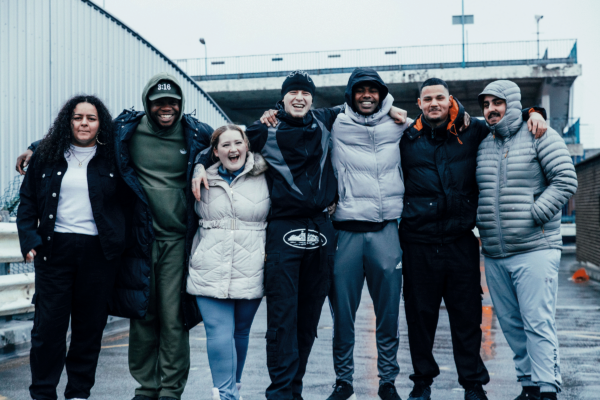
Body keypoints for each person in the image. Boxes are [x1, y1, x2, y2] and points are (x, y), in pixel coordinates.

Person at [17, 72, 213, 400]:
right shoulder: (125, 132)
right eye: (159, 102)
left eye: (172, 103)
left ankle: (159, 393)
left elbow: (231, 139)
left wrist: (203, 163)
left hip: (150, 246)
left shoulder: (193, 133)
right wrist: (34, 148)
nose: (166, 108)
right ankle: (138, 390)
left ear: (181, 105)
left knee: (159, 321)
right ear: (146, 103)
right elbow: (72, 144)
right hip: (117, 245)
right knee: (135, 317)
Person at [194, 70, 342, 400]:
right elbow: (224, 144)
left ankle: (295, 389)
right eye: (293, 93)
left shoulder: (326, 120)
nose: (299, 97)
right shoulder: (265, 128)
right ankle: (280, 393)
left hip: (321, 228)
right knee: (282, 317)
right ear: (284, 97)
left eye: (305, 93)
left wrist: (392, 107)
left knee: (307, 321)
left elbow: (366, 106)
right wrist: (199, 165)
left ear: (312, 98)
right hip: (282, 230)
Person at [399, 78, 548, 400]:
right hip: (417, 242)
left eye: (440, 97)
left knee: (467, 318)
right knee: (419, 319)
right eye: (428, 99)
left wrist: (535, 111)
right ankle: (421, 383)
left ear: (450, 100)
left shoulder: (475, 130)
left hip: (460, 241)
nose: (434, 103)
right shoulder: (406, 137)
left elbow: (505, 119)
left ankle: (473, 384)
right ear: (419, 104)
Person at [17, 95, 127, 400]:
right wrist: (29, 239)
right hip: (55, 251)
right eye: (78, 117)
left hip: (99, 253)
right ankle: (42, 393)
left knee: (88, 330)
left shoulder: (114, 158)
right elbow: (27, 202)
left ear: (100, 123)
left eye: (91, 118)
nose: (84, 123)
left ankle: (78, 393)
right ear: (69, 121)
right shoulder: (47, 155)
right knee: (47, 330)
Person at [475, 80, 577, 400]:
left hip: (535, 247)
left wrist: (533, 215)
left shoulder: (540, 134)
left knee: (537, 322)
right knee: (511, 325)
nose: (491, 109)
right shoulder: (483, 143)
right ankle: (529, 384)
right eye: (486, 104)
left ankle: (548, 387)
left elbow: (565, 180)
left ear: (513, 104)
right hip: (494, 252)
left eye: (498, 102)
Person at [187, 124, 270, 400]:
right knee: (218, 331)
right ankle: (225, 394)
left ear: (248, 146)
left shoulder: (267, 175)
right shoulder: (199, 176)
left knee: (240, 332)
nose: (232, 149)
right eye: (225, 145)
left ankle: (234, 387)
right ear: (215, 151)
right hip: (209, 263)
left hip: (251, 264)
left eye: (238, 143)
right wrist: (198, 167)